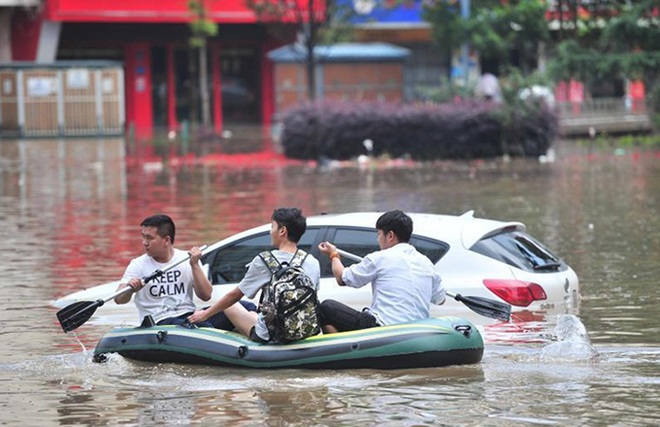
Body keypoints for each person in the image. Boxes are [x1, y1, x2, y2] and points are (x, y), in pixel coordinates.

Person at [187, 207, 321, 342]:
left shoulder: (264, 261)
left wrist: (204, 314)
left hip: (271, 335)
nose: (270, 231)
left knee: (230, 305)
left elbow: (234, 296)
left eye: (272, 226)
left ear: (282, 231)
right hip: (305, 331)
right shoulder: (313, 262)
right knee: (252, 313)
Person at [115, 214, 255, 328]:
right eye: (143, 237)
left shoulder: (185, 259)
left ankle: (258, 337)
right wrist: (130, 289)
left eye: (149, 238)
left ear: (166, 240)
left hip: (189, 316)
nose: (144, 242)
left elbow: (206, 295)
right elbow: (118, 299)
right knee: (200, 326)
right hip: (160, 321)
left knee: (246, 306)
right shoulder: (138, 265)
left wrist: (195, 265)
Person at [317, 210, 446, 333]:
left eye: (378, 234)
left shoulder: (380, 258)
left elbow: (342, 278)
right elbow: (440, 300)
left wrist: (333, 254)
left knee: (326, 308)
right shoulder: (426, 263)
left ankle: (342, 354)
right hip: (418, 329)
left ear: (390, 236)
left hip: (384, 328)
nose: (377, 239)